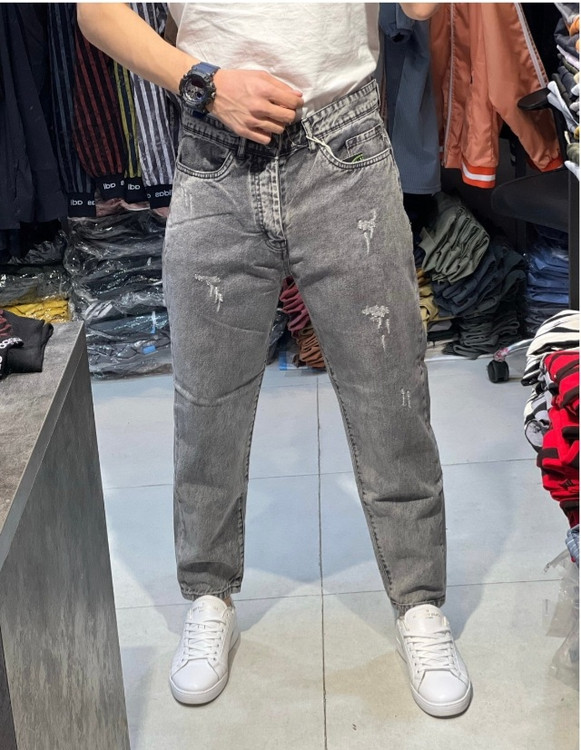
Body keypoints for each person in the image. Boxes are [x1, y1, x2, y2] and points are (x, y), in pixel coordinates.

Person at [78, 2, 472, 718]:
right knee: (207, 402)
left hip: (343, 146)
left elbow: (417, 6)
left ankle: (419, 602)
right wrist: (202, 82)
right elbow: (96, 12)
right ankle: (208, 594)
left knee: (391, 396)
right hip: (214, 151)